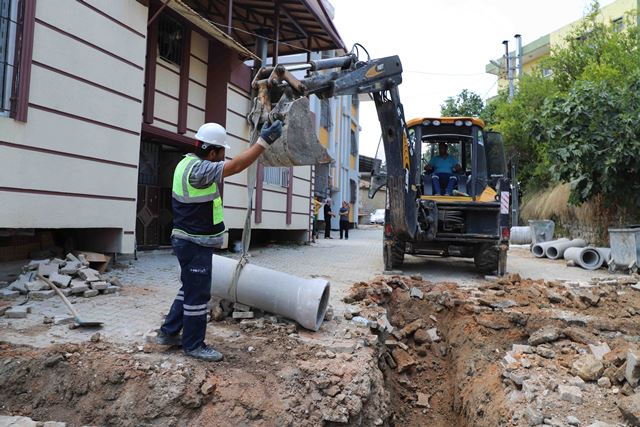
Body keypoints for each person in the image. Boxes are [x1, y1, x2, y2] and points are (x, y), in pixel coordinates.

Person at [149, 120, 282, 362]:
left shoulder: (185, 163)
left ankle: (168, 333)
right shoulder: (200, 169)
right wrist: (263, 142)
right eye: (221, 153)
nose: (223, 159)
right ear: (212, 152)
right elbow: (237, 166)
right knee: (198, 296)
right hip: (194, 243)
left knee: (189, 288)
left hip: (189, 241)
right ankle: (193, 345)